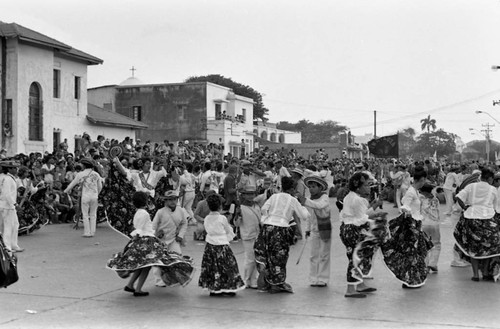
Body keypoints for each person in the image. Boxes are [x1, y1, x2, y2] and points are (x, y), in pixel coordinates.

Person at [107, 191, 194, 297]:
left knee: (142, 266)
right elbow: (142, 229)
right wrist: (151, 235)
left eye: (174, 199)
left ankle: (130, 285)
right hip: (147, 241)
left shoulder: (138, 213)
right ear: (146, 201)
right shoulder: (145, 213)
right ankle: (138, 289)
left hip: (145, 240)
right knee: (147, 266)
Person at [254, 176, 310, 294]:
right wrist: (303, 207)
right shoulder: (292, 199)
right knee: (279, 257)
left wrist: (267, 218)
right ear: (291, 189)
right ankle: (277, 284)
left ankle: (266, 277)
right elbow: (304, 216)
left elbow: (264, 209)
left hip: (267, 228)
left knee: (267, 253)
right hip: (281, 229)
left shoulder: (274, 196)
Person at [339, 172, 383, 298]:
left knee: (357, 256)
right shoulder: (358, 200)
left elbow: (360, 214)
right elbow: (363, 218)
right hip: (353, 230)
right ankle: (350, 289)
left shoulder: (350, 197)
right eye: (366, 185)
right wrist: (376, 215)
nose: (369, 188)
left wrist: (373, 206)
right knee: (355, 258)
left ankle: (359, 285)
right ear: (358, 187)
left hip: (346, 229)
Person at [454, 167, 500, 281]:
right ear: (489, 178)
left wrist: (465, 207)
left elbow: (458, 196)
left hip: (471, 219)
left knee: (473, 248)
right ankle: (485, 271)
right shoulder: (493, 189)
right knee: (488, 247)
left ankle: (475, 274)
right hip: (487, 220)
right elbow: (497, 207)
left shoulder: (471, 186)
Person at [198, 193, 245, 296]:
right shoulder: (222, 218)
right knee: (227, 266)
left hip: (210, 245)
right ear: (220, 206)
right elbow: (227, 230)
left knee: (213, 267)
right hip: (222, 245)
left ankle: (214, 288)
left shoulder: (206, 218)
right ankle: (228, 287)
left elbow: (207, 229)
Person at [151, 190, 188, 287]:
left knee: (178, 258)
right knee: (158, 261)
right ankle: (159, 281)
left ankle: (176, 278)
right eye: (170, 199)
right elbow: (153, 226)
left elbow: (184, 223)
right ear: (166, 201)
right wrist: (156, 234)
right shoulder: (160, 212)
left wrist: (180, 235)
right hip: (161, 240)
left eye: (174, 199)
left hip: (174, 239)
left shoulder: (181, 211)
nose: (173, 201)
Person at [302, 175, 331, 287]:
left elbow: (319, 206)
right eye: (310, 187)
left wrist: (304, 200)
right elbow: (309, 215)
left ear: (320, 188)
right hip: (314, 230)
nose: (311, 189)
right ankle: (313, 278)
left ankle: (323, 279)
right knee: (313, 255)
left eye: (314, 186)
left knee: (324, 255)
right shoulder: (310, 199)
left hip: (325, 229)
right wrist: (307, 229)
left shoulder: (325, 197)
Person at [64, 157, 103, 237]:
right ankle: (92, 232)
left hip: (85, 196)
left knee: (85, 215)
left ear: (84, 166)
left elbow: (72, 184)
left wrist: (65, 191)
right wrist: (96, 194)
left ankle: (87, 232)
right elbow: (100, 186)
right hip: (94, 196)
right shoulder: (96, 174)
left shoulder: (80, 174)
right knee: (93, 214)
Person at [233, 185, 261, 289]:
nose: (250, 196)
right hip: (247, 235)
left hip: (258, 235)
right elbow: (236, 224)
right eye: (248, 194)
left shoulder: (257, 206)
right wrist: (237, 215)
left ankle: (253, 280)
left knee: (256, 259)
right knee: (250, 259)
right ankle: (246, 279)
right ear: (244, 195)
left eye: (252, 194)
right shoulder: (240, 207)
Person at [0, 160, 23, 252]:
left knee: (15, 224)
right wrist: (15, 204)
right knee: (8, 226)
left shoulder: (6, 177)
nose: (16, 169)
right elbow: (7, 194)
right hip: (7, 206)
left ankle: (14, 245)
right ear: (9, 169)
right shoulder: (7, 179)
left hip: (7, 206)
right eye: (14, 168)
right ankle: (7, 247)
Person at [420, 183, 441, 273]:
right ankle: (433, 263)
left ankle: (425, 266)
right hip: (435, 224)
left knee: (424, 245)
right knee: (436, 244)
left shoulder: (420, 198)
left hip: (424, 223)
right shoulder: (435, 199)